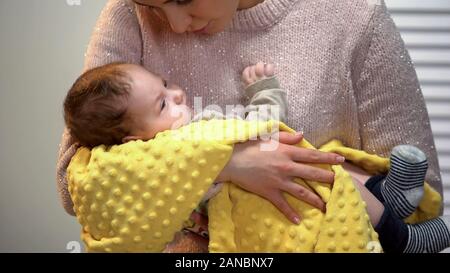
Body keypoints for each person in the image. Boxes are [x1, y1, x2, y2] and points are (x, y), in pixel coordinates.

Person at [57, 0, 443, 245]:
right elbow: (76, 187)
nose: (172, 24)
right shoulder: (128, 16)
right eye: (155, 4)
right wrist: (229, 164)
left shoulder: (354, 16)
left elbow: (426, 186)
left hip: (330, 230)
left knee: (335, 168)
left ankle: (390, 207)